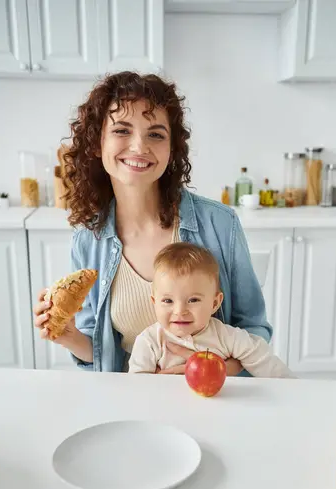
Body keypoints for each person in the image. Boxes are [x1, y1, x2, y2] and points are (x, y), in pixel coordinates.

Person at [33, 71, 272, 374]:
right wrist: (69, 336)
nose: (139, 147)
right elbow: (104, 355)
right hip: (131, 397)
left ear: (171, 150)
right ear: (97, 142)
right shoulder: (88, 239)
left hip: (210, 398)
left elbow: (254, 329)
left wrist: (209, 371)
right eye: (122, 130)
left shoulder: (220, 224)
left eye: (156, 134)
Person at [129, 243, 293, 378]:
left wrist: (296, 391)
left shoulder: (227, 337)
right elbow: (138, 390)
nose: (180, 311)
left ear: (215, 303)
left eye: (193, 300)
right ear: (154, 302)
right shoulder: (149, 341)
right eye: (167, 301)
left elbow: (265, 362)